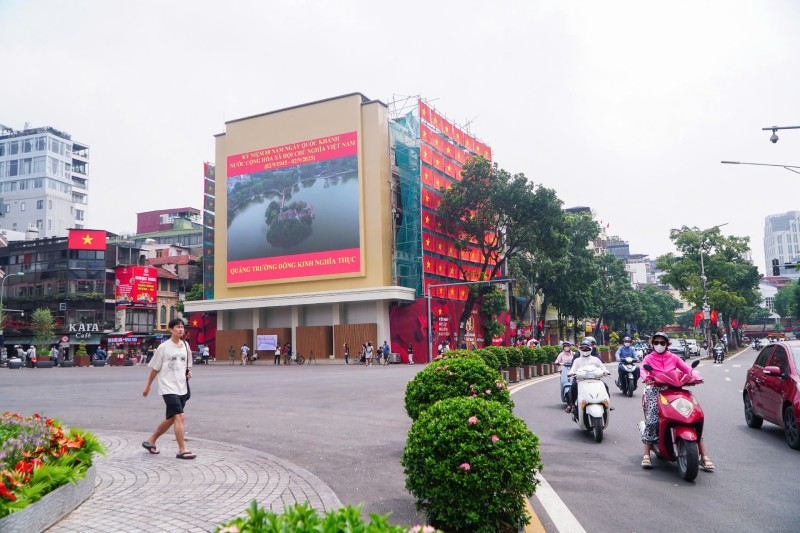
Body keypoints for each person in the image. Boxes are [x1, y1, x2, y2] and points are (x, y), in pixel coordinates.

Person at [639, 332, 714, 471]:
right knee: (652, 419)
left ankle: (704, 455)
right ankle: (646, 454)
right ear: (652, 344)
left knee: (693, 417)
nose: (659, 345)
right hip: (655, 389)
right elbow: (643, 370)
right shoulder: (648, 358)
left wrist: (697, 377)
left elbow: (688, 369)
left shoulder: (673, 357)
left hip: (675, 389)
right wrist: (647, 378)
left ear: (667, 344)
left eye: (662, 343)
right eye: (656, 343)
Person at [141, 318, 196, 460]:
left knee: (172, 418)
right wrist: (148, 386)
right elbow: (155, 368)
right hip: (168, 387)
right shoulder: (163, 347)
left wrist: (188, 372)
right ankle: (182, 450)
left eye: (182, 327)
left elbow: (187, 365)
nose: (181, 329)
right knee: (180, 416)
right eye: (177, 327)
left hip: (182, 387)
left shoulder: (186, 345)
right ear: (170, 329)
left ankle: (151, 441)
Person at [565, 339, 608, 414]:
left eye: (587, 348)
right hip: (580, 380)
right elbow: (573, 369)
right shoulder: (577, 360)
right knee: (573, 387)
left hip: (595, 380)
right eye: (583, 348)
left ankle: (606, 404)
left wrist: (605, 371)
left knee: (605, 386)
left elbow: (602, 367)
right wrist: (571, 373)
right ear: (580, 349)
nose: (585, 350)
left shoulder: (596, 359)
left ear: (590, 349)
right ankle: (571, 405)